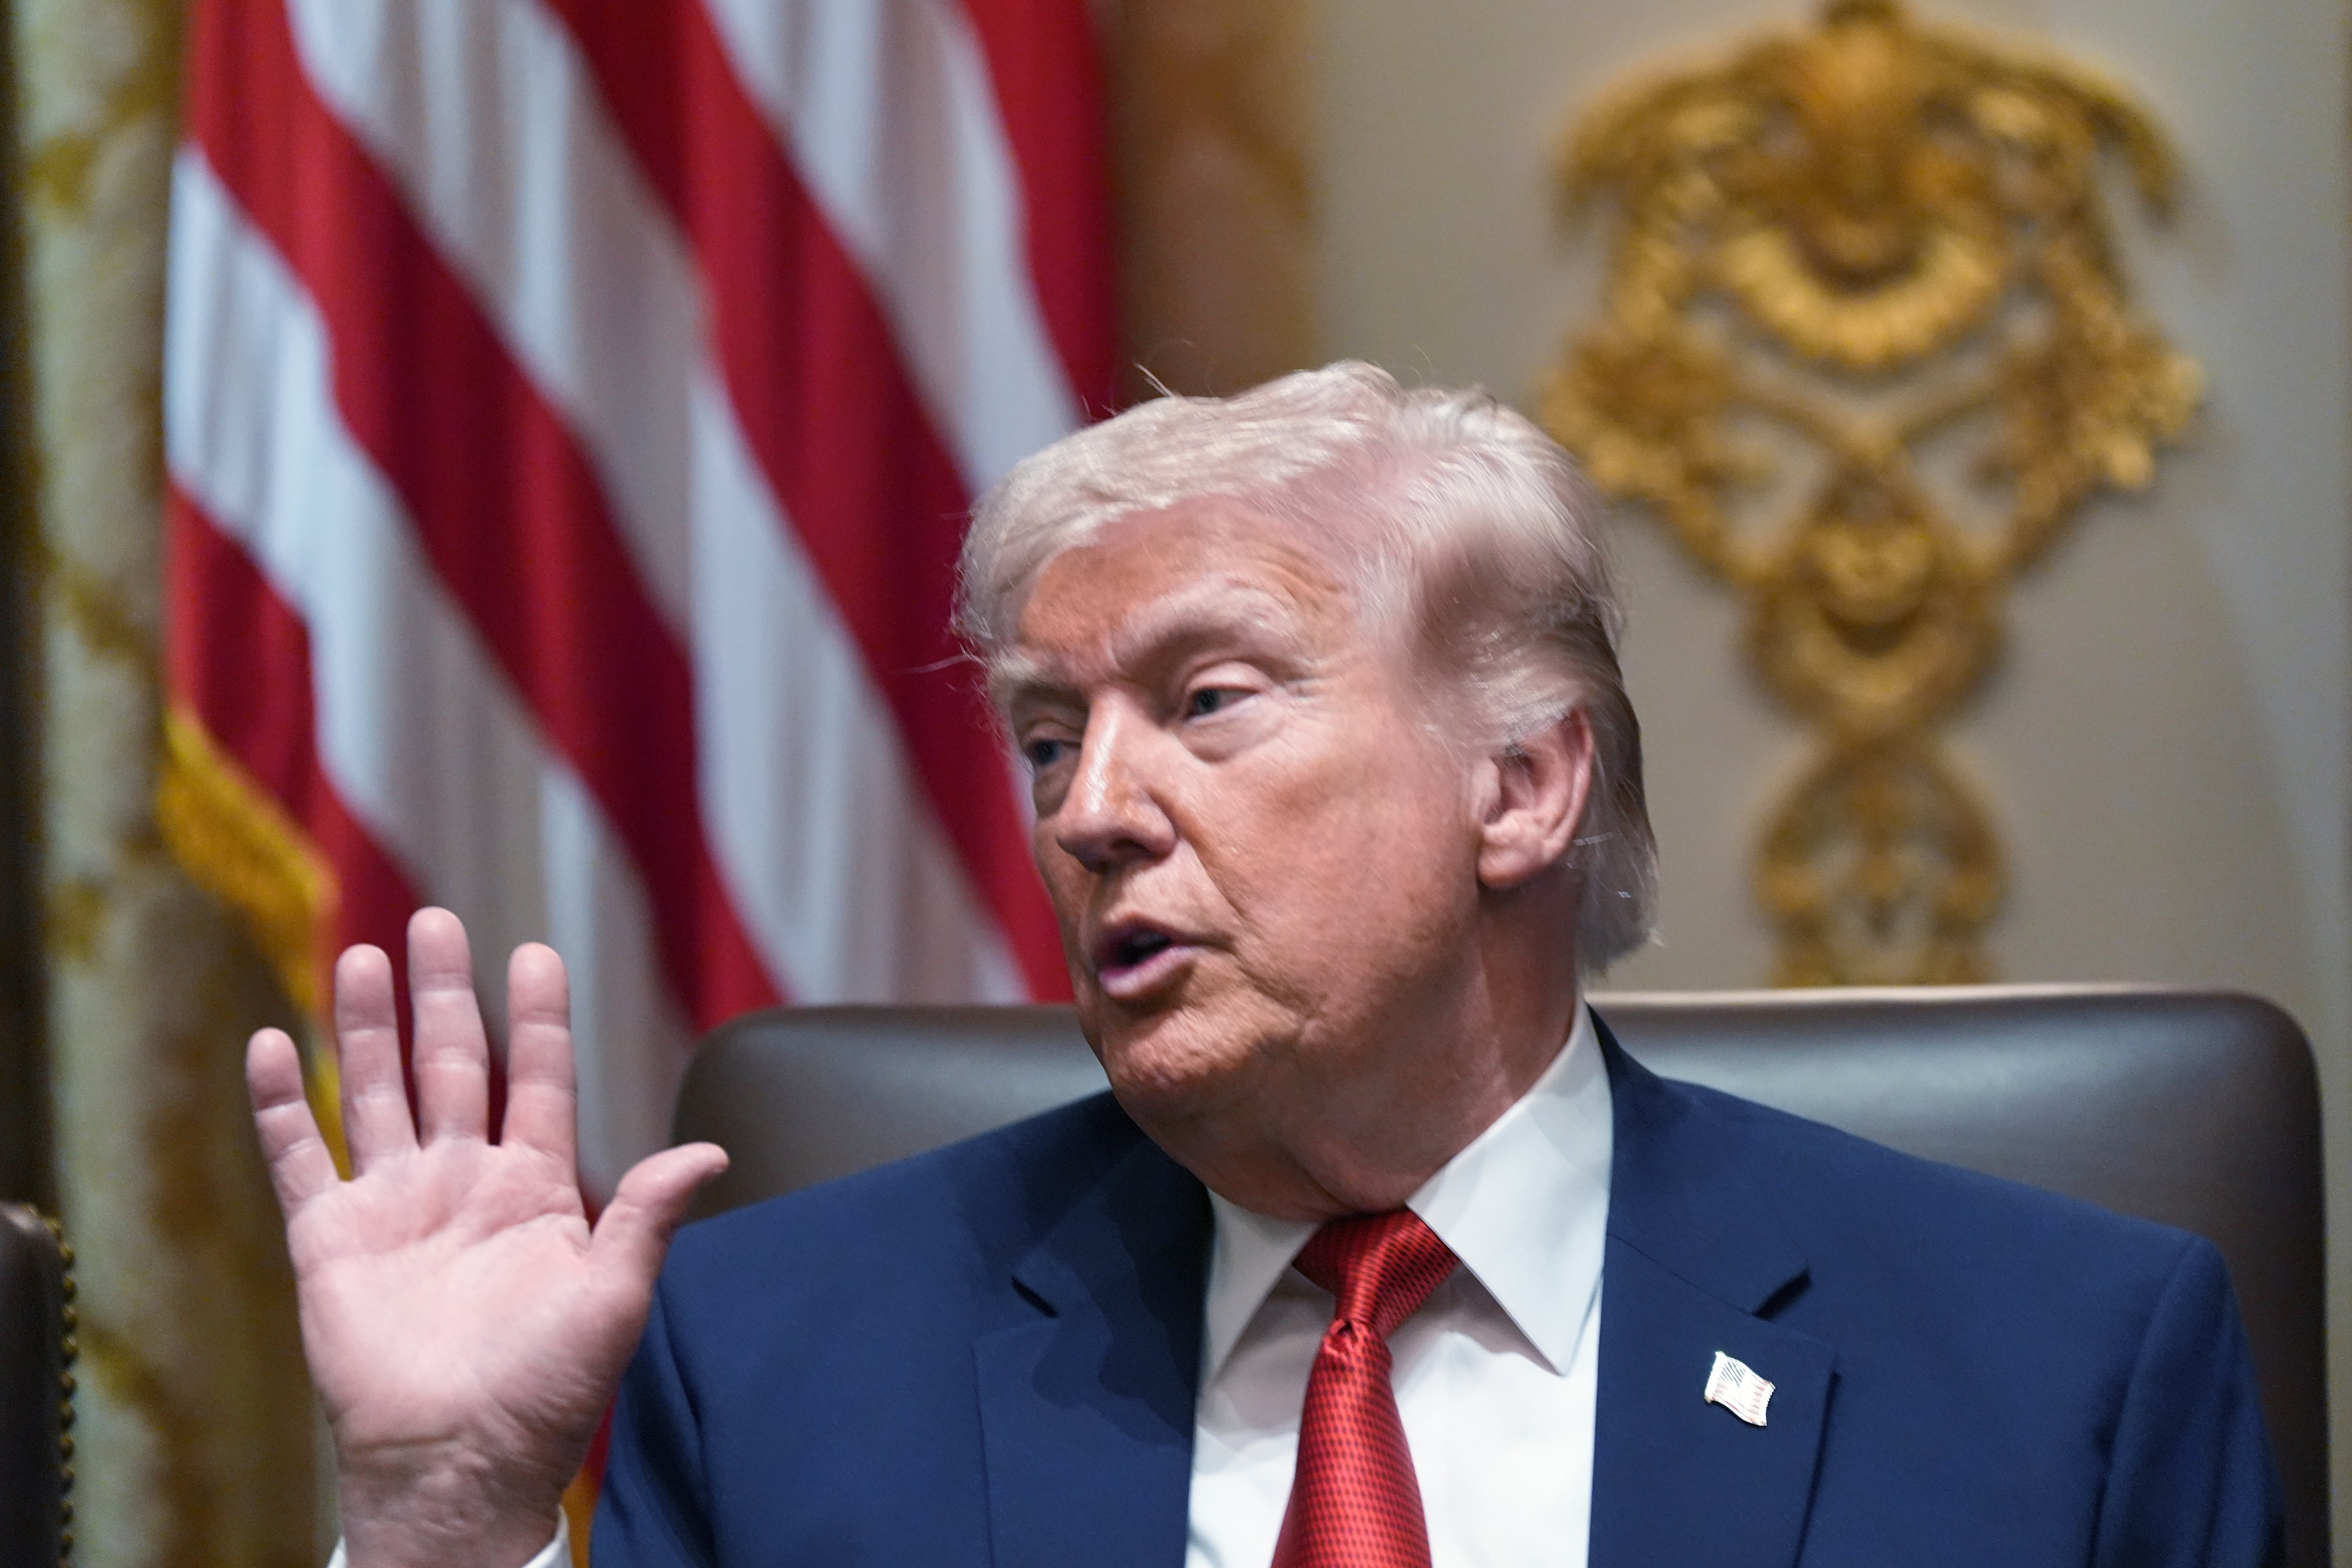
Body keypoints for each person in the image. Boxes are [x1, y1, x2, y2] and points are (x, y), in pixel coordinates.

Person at [249, 363, 2282, 1568]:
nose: (1087, 810)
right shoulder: (787, 1358)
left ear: (1521, 786)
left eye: (1204, 701)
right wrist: (442, 1527)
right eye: (1049, 736)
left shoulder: (2056, 1368)